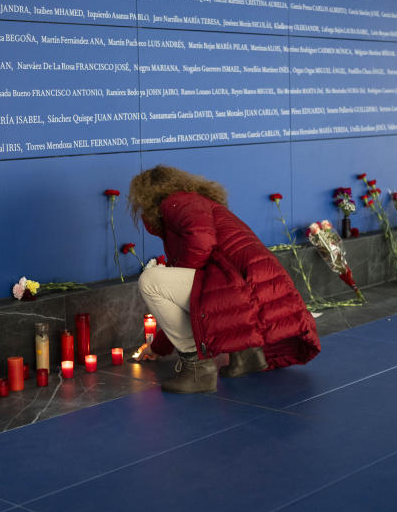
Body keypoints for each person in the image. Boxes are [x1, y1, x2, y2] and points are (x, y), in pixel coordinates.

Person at [128, 165, 321, 393]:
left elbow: (201, 242)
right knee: (191, 284)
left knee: (151, 280)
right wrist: (158, 347)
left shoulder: (176, 202)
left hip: (242, 285)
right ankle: (248, 354)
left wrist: (178, 270)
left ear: (148, 195)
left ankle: (198, 370)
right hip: (251, 285)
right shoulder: (195, 202)